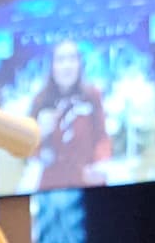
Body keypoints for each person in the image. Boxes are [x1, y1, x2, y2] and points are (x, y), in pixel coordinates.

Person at [26, 38, 112, 190]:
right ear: (52, 66)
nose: (67, 66)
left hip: (87, 181)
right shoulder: (40, 100)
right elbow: (27, 146)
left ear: (80, 64)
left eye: (72, 59)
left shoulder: (92, 95)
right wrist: (40, 134)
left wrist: (99, 164)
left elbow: (102, 137)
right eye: (60, 60)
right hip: (52, 185)